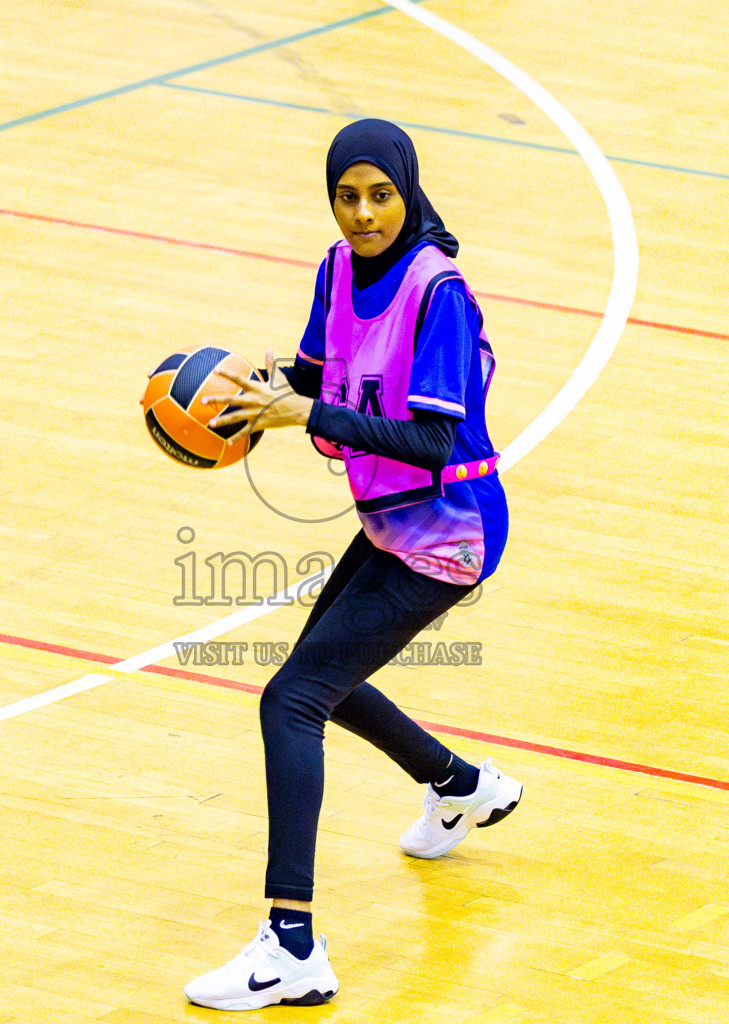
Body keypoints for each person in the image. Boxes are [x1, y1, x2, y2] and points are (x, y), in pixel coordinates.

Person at [184, 119, 522, 1010]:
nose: (363, 213)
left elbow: (429, 438)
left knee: (292, 697)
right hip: (389, 521)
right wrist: (243, 400)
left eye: (380, 194)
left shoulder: (437, 292)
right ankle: (462, 788)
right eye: (347, 195)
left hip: (448, 532)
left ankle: (290, 946)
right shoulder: (337, 271)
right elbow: (307, 373)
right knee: (318, 678)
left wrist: (312, 420)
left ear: (408, 191)